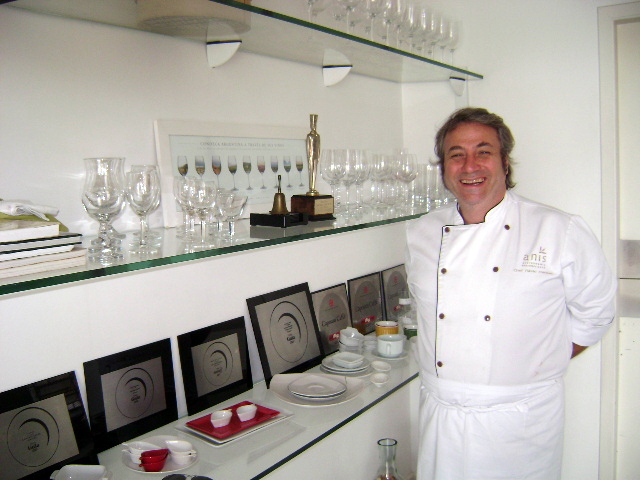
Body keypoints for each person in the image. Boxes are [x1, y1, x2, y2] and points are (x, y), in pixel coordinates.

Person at [405, 107, 616, 479]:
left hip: (520, 422)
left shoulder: (557, 229)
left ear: (505, 162)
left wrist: (538, 362)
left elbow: (596, 313)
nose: (470, 166)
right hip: (442, 416)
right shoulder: (421, 232)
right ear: (444, 168)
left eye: (483, 151)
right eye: (456, 155)